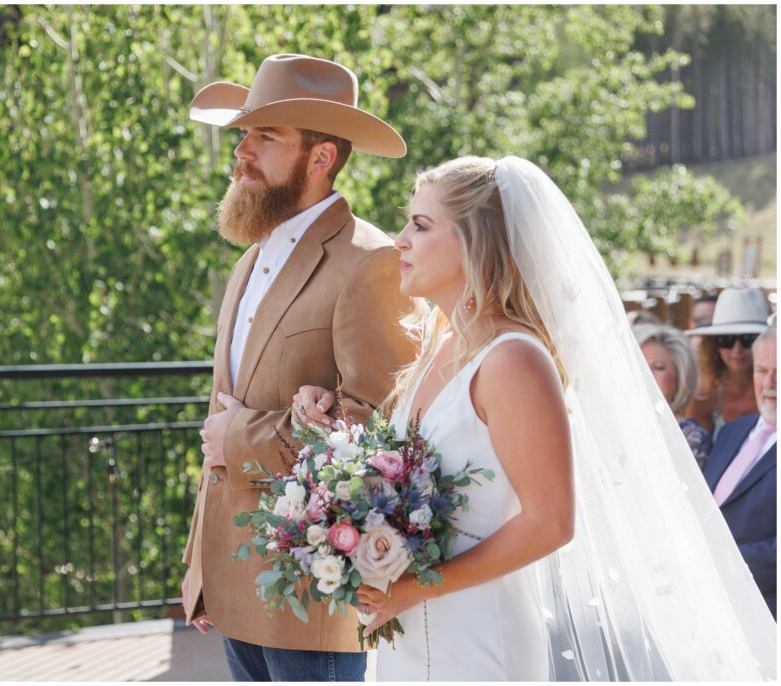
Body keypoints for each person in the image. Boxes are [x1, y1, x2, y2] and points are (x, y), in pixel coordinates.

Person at [294, 156, 776, 680]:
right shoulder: (442, 346)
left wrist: (415, 587)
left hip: (479, 635)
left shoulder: (513, 359)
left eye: (421, 225)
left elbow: (550, 522)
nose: (399, 240)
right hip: (410, 629)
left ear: (474, 242)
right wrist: (336, 441)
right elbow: (417, 476)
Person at [180, 54, 417, 682]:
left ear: (321, 158)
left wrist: (239, 438)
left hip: (316, 592)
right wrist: (200, 569)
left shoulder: (370, 262)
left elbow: (379, 430)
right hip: (236, 585)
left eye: (267, 137)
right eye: (243, 134)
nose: (243, 152)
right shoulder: (248, 261)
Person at [702, 322, 776, 616]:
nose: (770, 382)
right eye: (762, 370)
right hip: (707, 610)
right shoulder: (732, 433)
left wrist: (724, 564)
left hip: (764, 619)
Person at [685, 288, 770, 437]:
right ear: (714, 345)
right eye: (727, 340)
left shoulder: (774, 390)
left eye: (748, 339)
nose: (737, 349)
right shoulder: (705, 395)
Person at [633, 322, 712, 467]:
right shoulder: (619, 423)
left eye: (658, 368)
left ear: (680, 377)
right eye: (640, 366)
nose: (647, 375)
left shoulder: (691, 436)